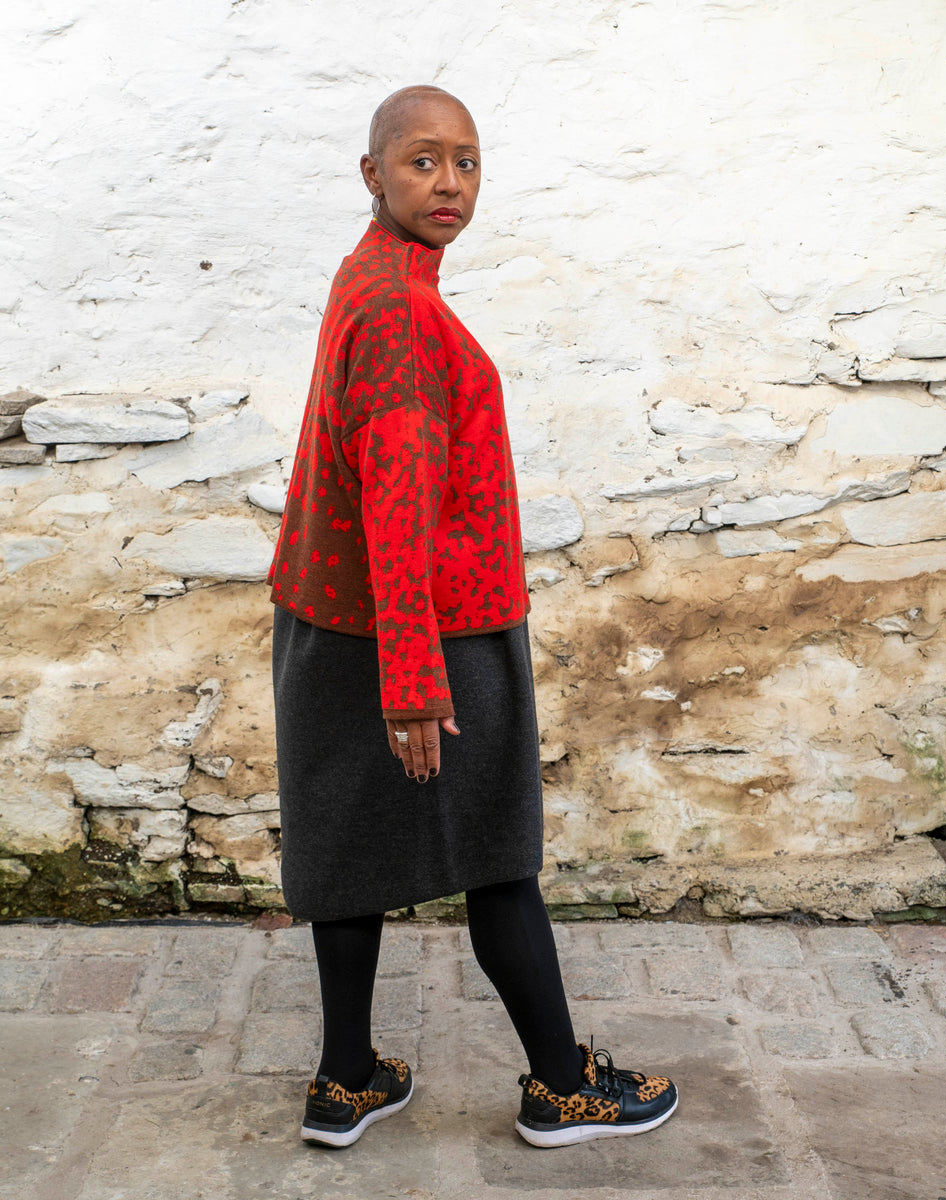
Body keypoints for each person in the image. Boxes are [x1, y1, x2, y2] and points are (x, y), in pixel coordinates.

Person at [268, 83, 678, 1150]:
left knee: (349, 852)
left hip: (328, 621)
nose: (448, 183)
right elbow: (399, 504)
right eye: (421, 162)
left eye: (467, 162)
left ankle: (346, 1077)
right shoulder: (403, 314)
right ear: (373, 174)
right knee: (499, 856)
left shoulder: (368, 274)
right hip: (431, 630)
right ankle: (561, 1088)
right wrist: (414, 683)